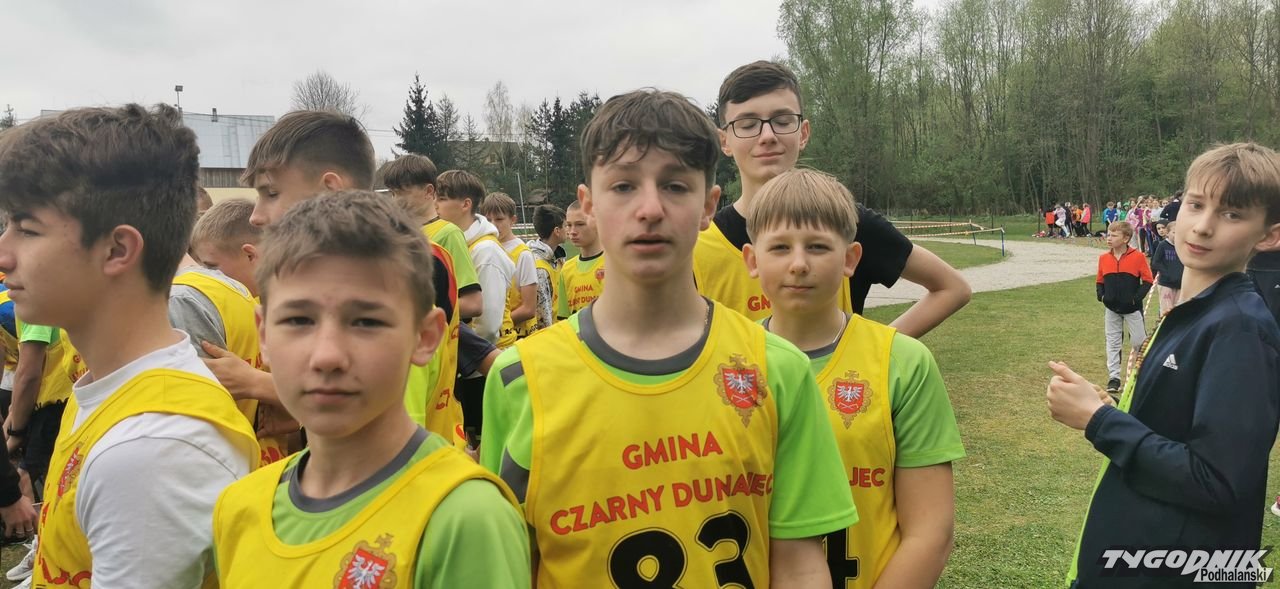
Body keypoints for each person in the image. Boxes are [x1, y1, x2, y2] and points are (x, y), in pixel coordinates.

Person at [481, 89, 858, 587]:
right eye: (623, 186)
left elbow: (800, 565)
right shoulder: (519, 379)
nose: (650, 208)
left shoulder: (778, 369)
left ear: (709, 206)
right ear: (589, 205)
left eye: (675, 186)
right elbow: (511, 568)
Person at [212, 191, 530, 588]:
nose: (327, 356)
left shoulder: (464, 517)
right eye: (297, 320)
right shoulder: (237, 508)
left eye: (366, 322)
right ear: (263, 334)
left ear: (425, 337)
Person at [0, 104, 259, 588]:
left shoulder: (152, 447)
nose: (3, 253)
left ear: (117, 250)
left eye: (27, 229)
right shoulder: (106, 389)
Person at [1049, 142, 1280, 588]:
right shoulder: (1193, 312)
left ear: (1268, 236)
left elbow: (1217, 480)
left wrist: (1099, 421)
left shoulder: (1240, 329)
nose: (1204, 226)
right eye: (1196, 204)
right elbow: (1175, 427)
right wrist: (1111, 408)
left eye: (1232, 214)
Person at [745, 169, 964, 588]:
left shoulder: (904, 362)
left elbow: (930, 533)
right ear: (752, 260)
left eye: (817, 246)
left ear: (850, 259)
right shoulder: (729, 364)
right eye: (780, 247)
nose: (798, 264)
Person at [223, 109, 468, 445]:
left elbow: (385, 422)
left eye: (271, 193)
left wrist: (258, 384)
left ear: (330, 191)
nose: (255, 216)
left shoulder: (403, 262)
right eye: (297, 320)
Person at [695, 60, 970, 335]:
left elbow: (952, 288)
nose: (767, 136)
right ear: (724, 141)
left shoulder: (848, 222)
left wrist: (876, 352)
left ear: (803, 133)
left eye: (782, 121)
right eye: (747, 124)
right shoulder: (699, 246)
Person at [172, 198, 292, 465]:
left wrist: (256, 383)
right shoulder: (251, 300)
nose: (206, 276)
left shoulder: (292, 304)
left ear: (250, 255)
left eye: (211, 267)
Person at [379, 153, 485, 319]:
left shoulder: (449, 234)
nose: (394, 201)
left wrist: (413, 310)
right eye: (392, 194)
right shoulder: (396, 235)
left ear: (429, 191)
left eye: (401, 193)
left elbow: (473, 304)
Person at [436, 170, 515, 347]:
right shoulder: (459, 243)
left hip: (488, 356)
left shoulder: (486, 250)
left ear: (466, 204)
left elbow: (487, 327)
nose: (434, 205)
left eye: (441, 199)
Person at [1094, 220, 1153, 394]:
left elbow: (1148, 281)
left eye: (1114, 235)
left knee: (1139, 342)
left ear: (1126, 238)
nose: (1109, 238)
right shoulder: (1104, 258)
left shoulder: (1138, 257)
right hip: (1111, 309)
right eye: (1108, 234)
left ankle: (1141, 373)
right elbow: (1100, 280)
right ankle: (1114, 378)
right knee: (1112, 342)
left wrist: (1135, 299)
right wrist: (1102, 296)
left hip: (1132, 310)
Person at [479, 192, 538, 340]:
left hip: (518, 337)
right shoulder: (484, 248)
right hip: (491, 336)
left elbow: (529, 308)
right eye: (488, 220)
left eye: (499, 219)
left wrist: (496, 322)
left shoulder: (523, 255)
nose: (493, 225)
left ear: (512, 220)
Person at [556, 200, 606, 319]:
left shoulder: (615, 265)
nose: (572, 232)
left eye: (580, 224)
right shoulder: (567, 269)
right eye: (569, 225)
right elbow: (563, 319)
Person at [527, 204, 566, 332]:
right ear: (557, 231)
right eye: (566, 226)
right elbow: (543, 315)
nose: (569, 230)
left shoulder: (558, 258)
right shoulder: (539, 267)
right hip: (551, 335)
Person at [1150, 221, 1184, 316]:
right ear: (1167, 233)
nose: (1176, 235)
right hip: (1166, 284)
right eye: (1174, 232)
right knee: (1166, 310)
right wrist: (1167, 273)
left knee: (1179, 311)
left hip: (1180, 284)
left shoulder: (1183, 246)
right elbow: (1155, 262)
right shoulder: (1162, 245)